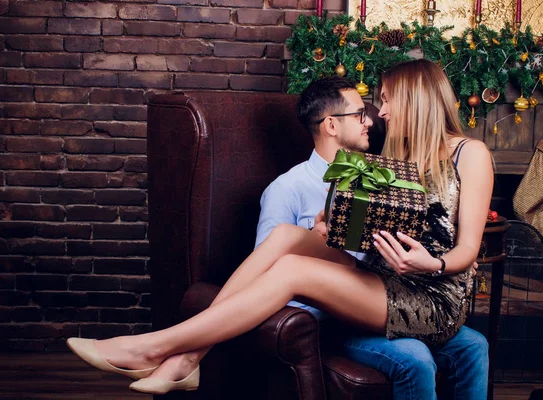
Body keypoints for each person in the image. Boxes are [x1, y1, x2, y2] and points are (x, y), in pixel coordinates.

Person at [66, 59, 494, 398]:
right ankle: (184, 359)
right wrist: (335, 226)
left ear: (415, 99)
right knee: (286, 238)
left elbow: (468, 250)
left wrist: (431, 263)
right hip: (383, 280)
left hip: (432, 297)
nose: (379, 112)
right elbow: (373, 231)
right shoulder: (391, 156)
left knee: (293, 269)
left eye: (386, 100)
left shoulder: (469, 154)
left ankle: (159, 349)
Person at [256, 75, 489, 399]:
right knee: (416, 358)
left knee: (475, 344)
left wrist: (449, 261)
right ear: (331, 125)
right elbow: (267, 265)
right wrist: (316, 237)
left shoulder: (383, 170)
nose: (375, 116)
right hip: (337, 305)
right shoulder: (287, 188)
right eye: (359, 114)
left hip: (393, 288)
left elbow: (423, 232)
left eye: (384, 102)